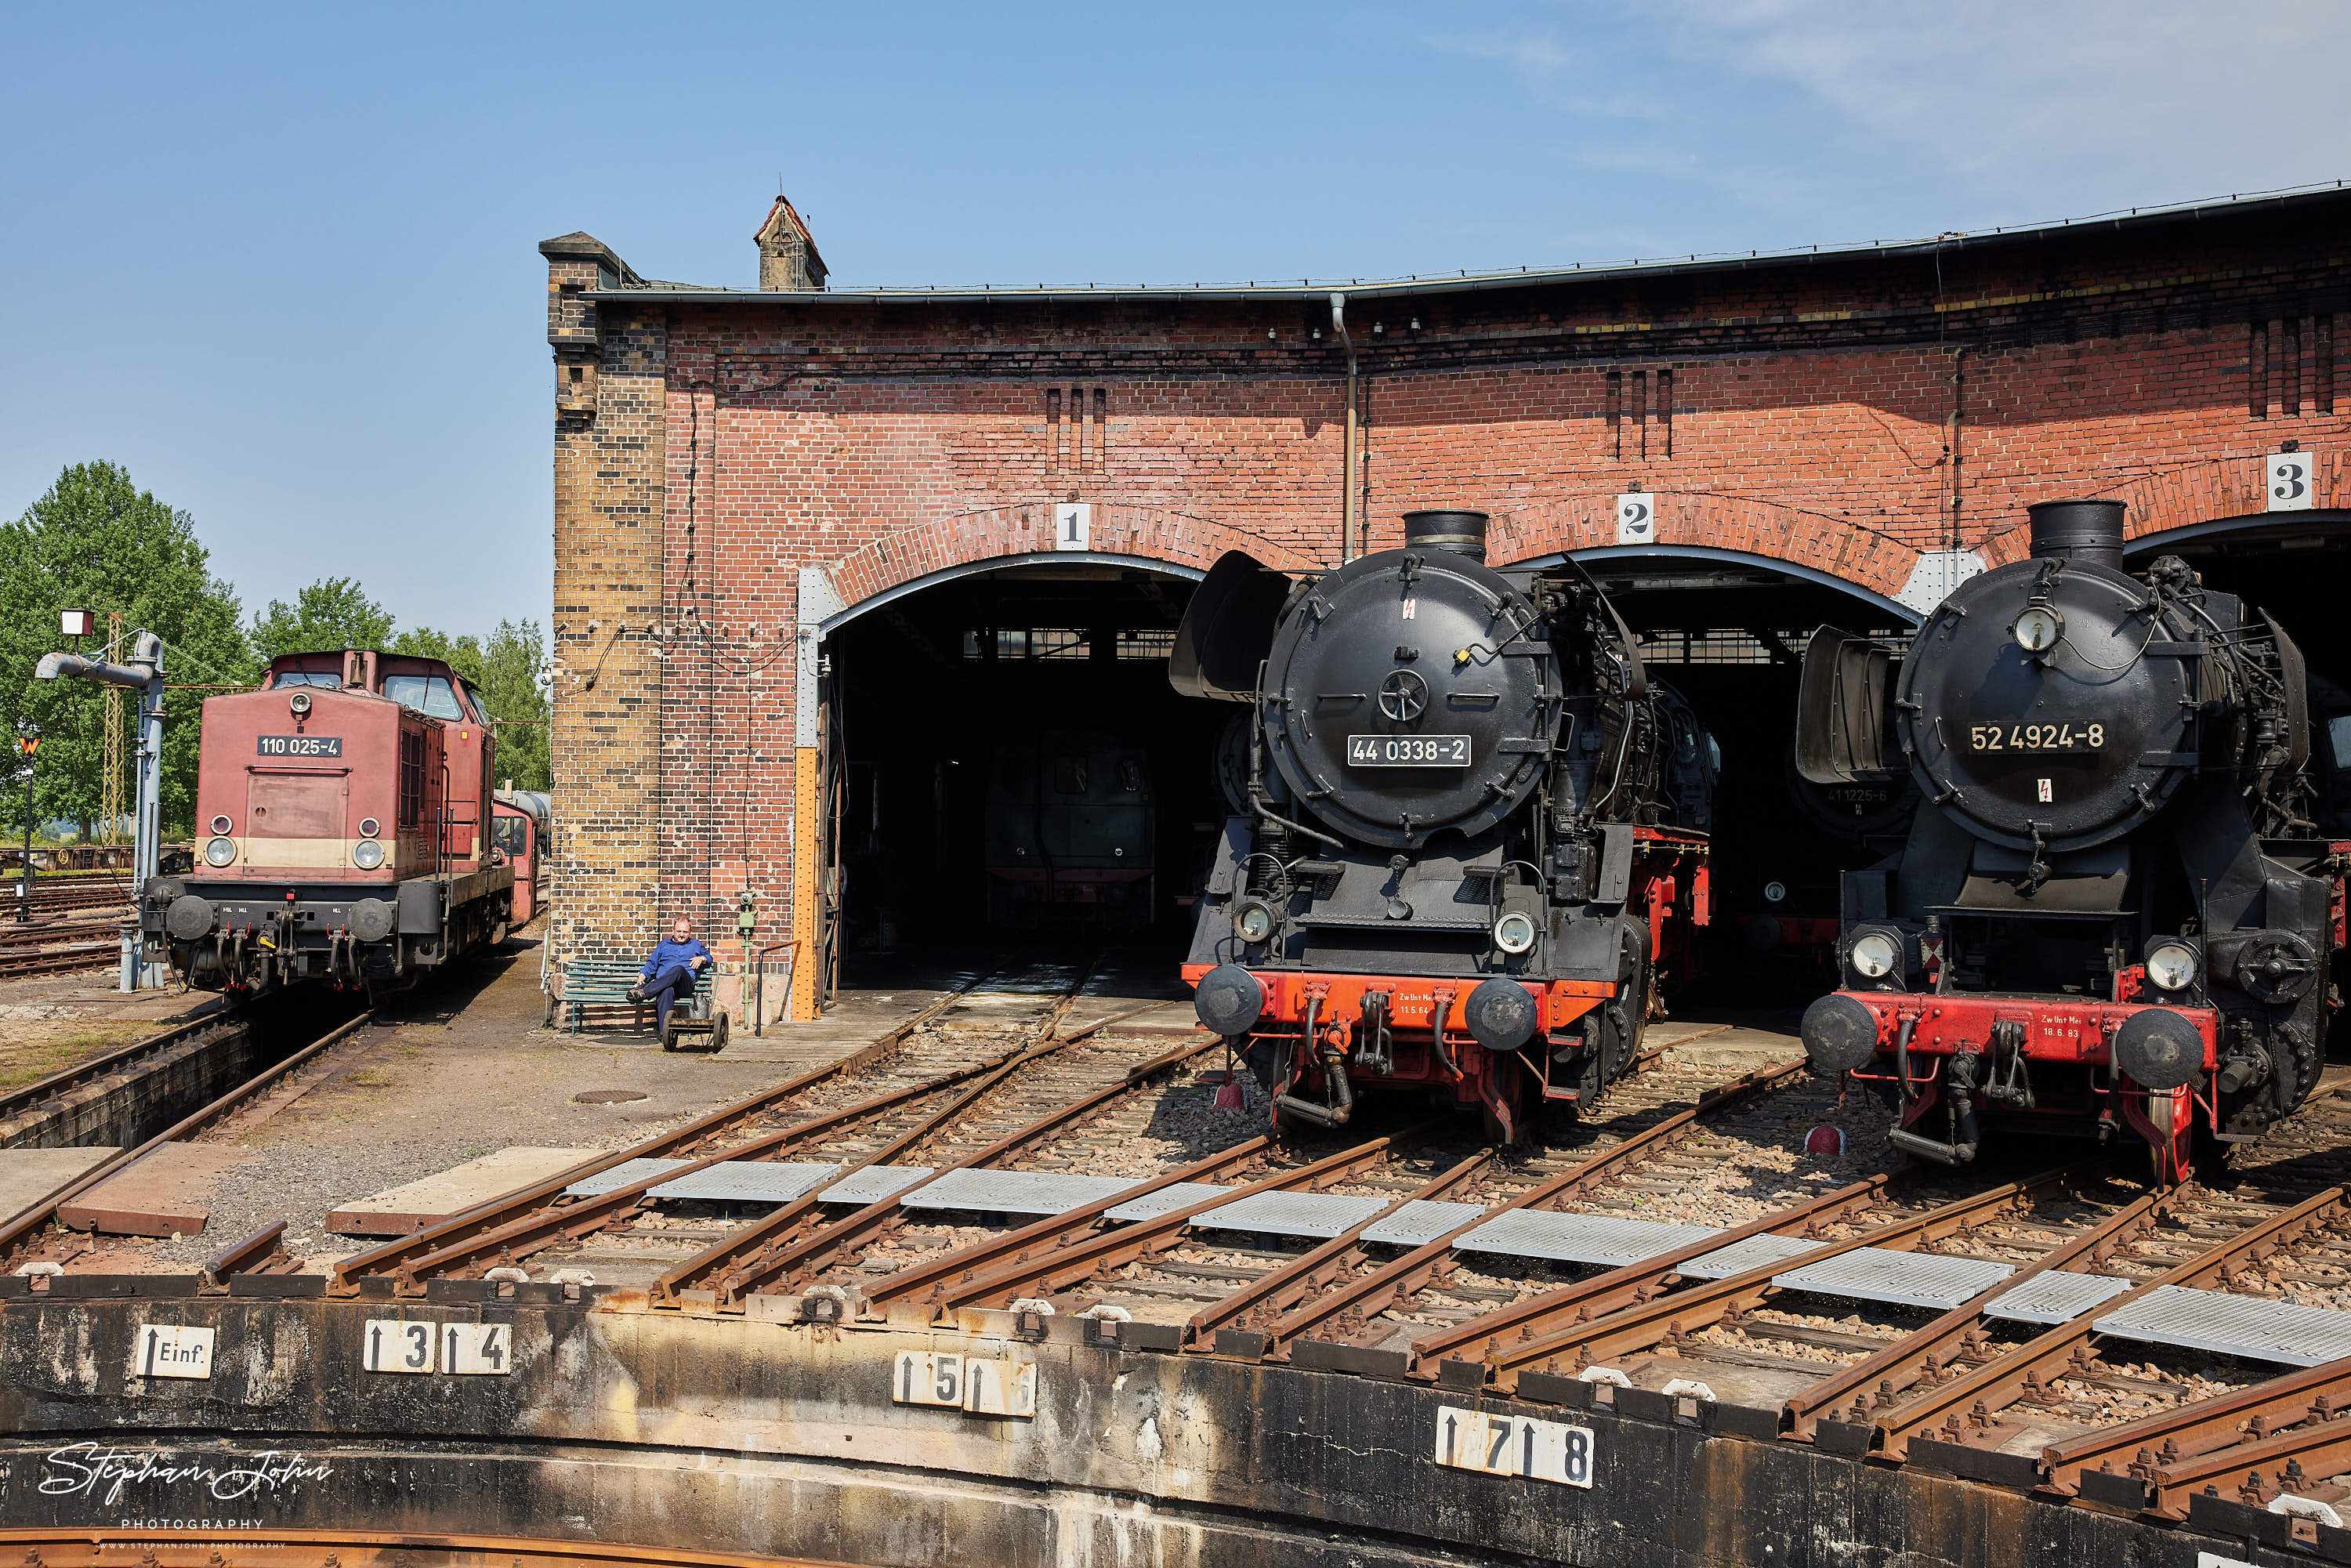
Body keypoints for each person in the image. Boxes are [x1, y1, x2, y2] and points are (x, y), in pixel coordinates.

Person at [629, 918, 713, 1035]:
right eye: (679, 931)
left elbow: (709, 958)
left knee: (678, 969)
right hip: (665, 985)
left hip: (684, 986)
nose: (682, 935)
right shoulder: (663, 945)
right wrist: (643, 973)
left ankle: (644, 992)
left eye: (685, 932)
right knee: (666, 991)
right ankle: (666, 1035)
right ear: (673, 930)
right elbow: (652, 963)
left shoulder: (695, 945)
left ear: (690, 933)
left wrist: (701, 958)